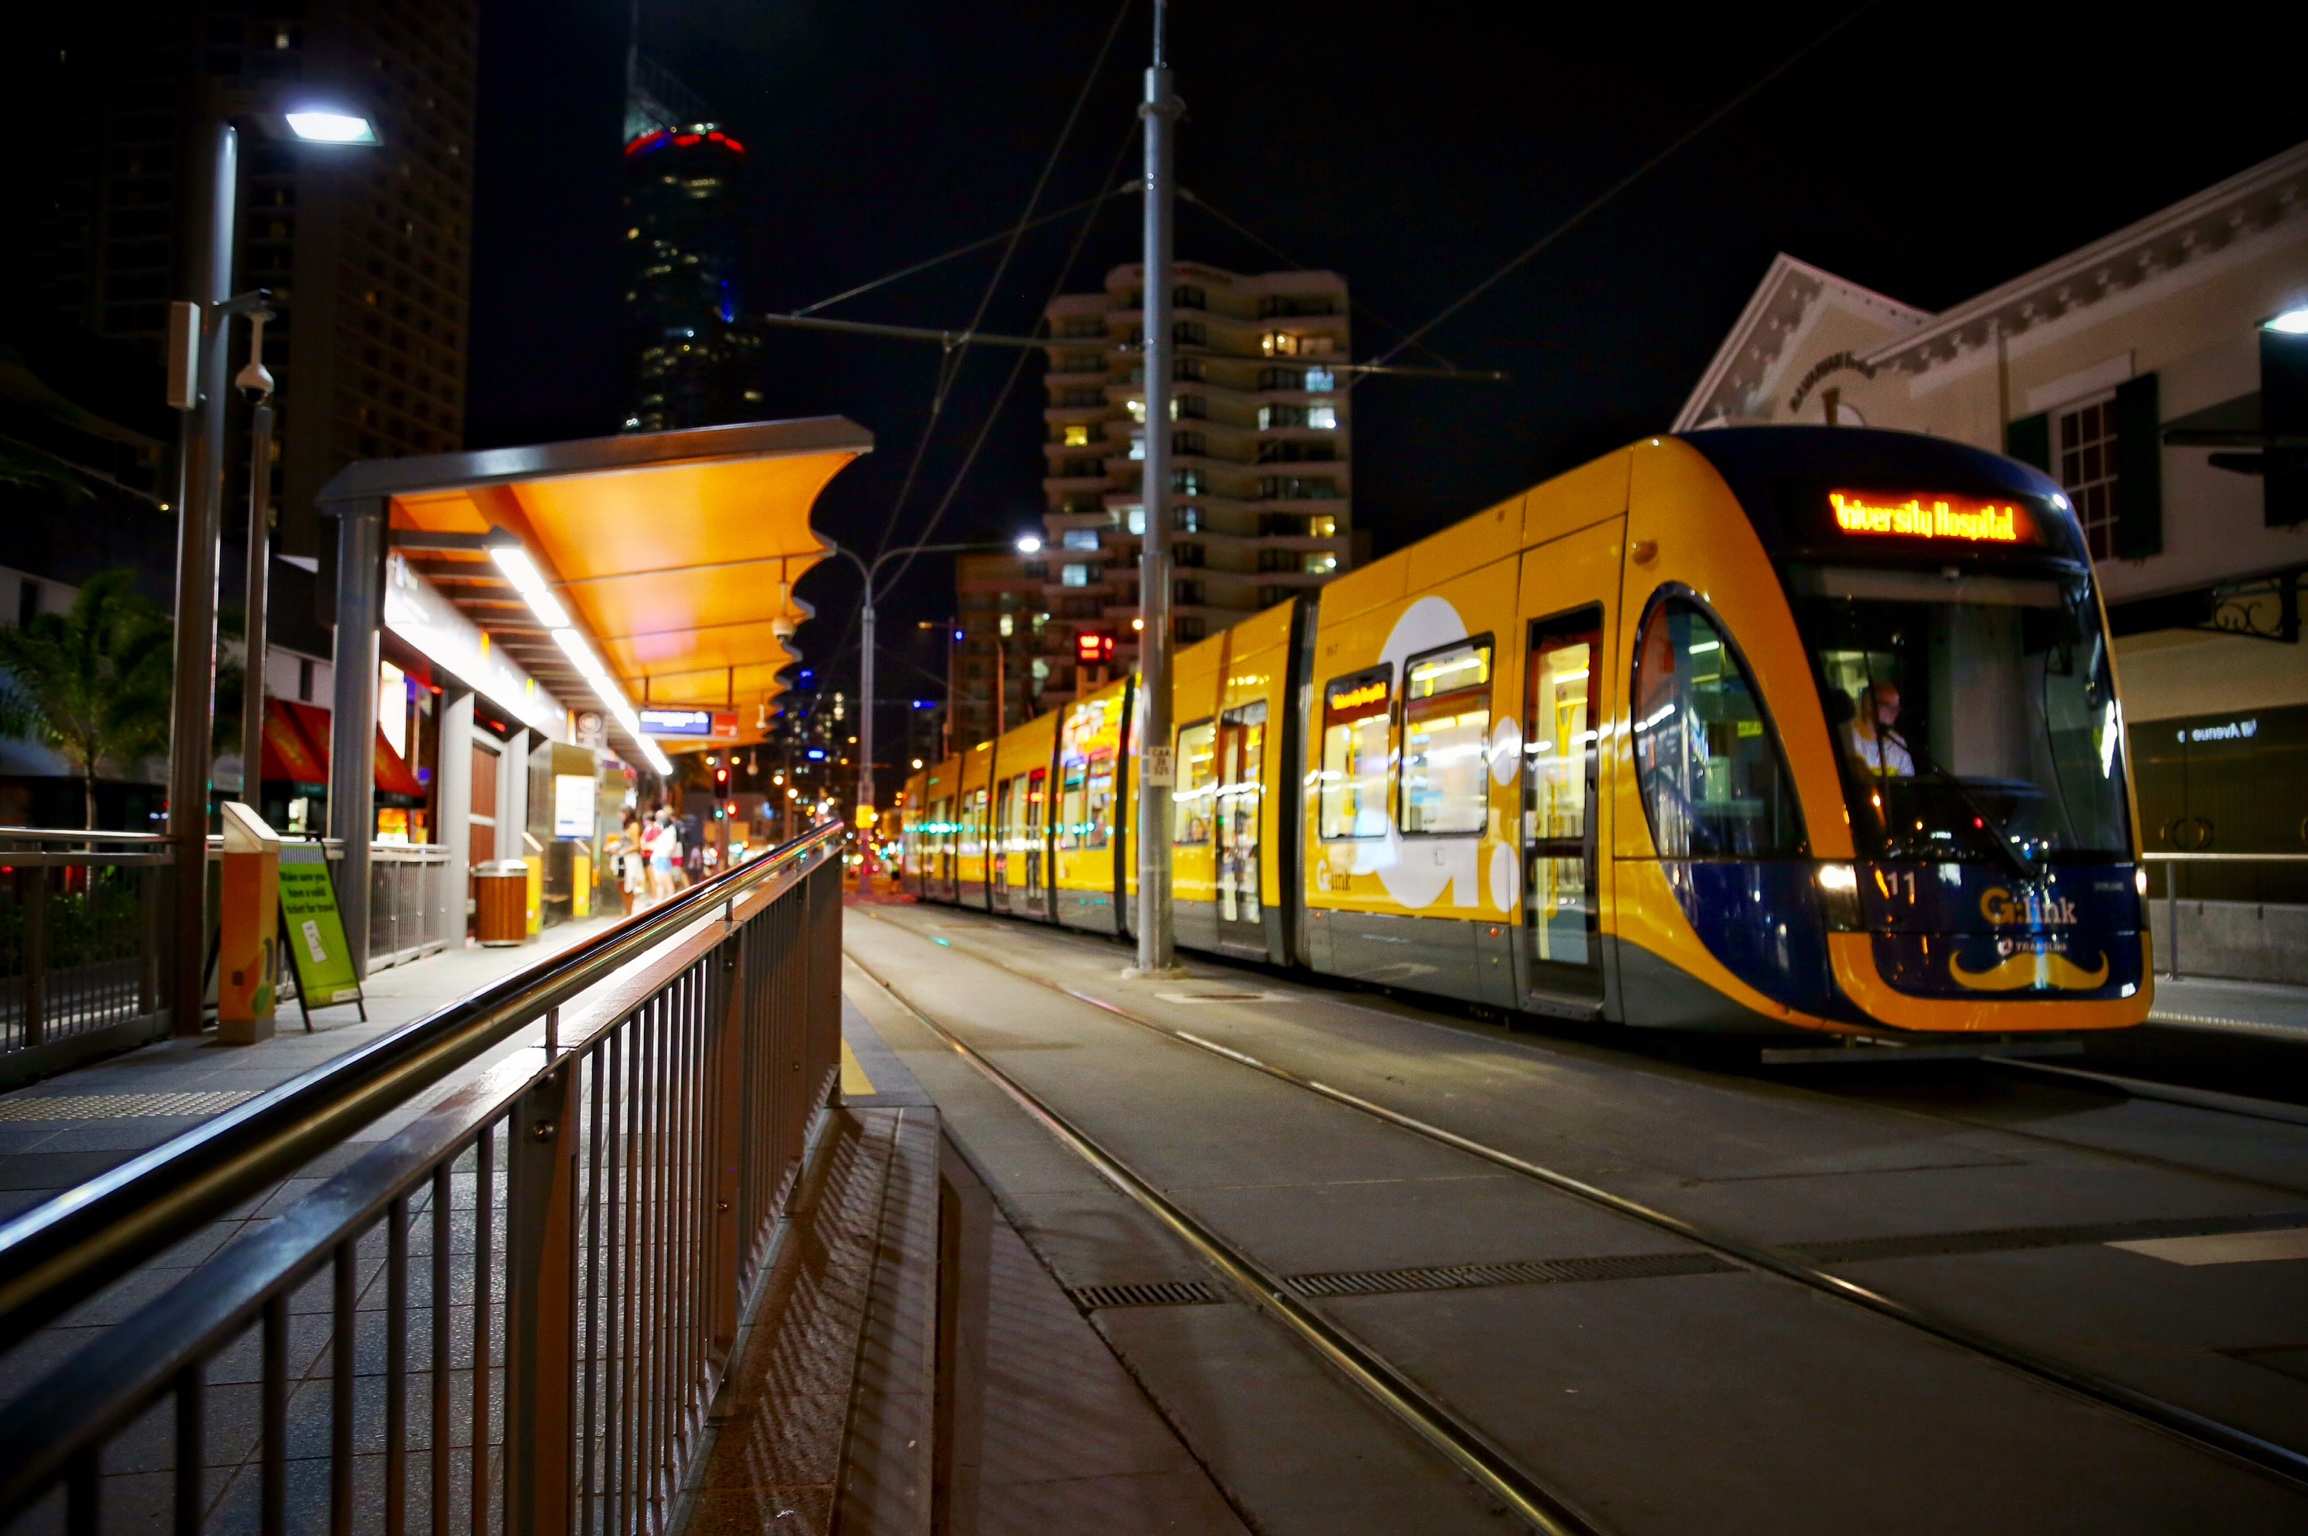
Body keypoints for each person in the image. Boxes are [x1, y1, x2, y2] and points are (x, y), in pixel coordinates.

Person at [1845, 681, 1915, 777]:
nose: (1896, 712)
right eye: (1890, 706)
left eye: (1897, 707)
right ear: (1869, 705)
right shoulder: (1847, 740)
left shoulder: (1899, 744)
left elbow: (1908, 784)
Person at [617, 809, 646, 915]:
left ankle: (630, 912)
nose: (619, 815)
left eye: (621, 813)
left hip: (631, 860)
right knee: (622, 885)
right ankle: (627, 911)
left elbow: (637, 845)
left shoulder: (634, 826)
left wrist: (623, 851)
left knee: (630, 886)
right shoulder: (625, 826)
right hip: (624, 860)